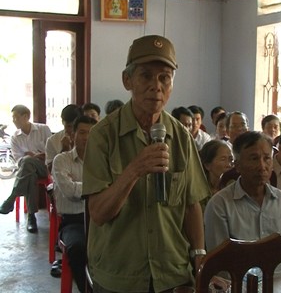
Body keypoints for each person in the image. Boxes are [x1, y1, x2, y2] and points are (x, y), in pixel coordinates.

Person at [82, 35, 210, 293]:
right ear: (127, 80)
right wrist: (134, 170)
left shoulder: (181, 137)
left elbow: (191, 204)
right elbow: (98, 213)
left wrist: (198, 254)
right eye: (146, 76)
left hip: (172, 273)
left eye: (165, 77)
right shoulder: (103, 135)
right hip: (120, 274)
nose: (156, 86)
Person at [204, 131, 281, 273]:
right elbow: (220, 265)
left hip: (279, 284)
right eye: (254, 158)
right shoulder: (219, 205)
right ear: (237, 165)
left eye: (267, 158)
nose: (262, 166)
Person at [52, 115, 97, 293]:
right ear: (73, 135)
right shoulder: (62, 160)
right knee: (78, 248)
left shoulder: (104, 161)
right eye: (82, 132)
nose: (86, 137)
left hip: (99, 218)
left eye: (91, 133)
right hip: (73, 221)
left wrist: (79, 186)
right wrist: (97, 187)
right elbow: (69, 192)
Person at [0, 105, 52, 233]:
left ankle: (13, 197)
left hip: (44, 166)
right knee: (30, 173)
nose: (13, 121)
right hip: (28, 170)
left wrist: (39, 155)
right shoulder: (15, 137)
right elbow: (18, 161)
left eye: (16, 118)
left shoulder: (43, 129)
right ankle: (31, 217)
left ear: (26, 117)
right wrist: (29, 158)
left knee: (28, 162)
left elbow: (52, 151)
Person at [45, 104, 82, 173]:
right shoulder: (53, 140)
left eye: (75, 126)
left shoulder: (87, 138)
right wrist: (63, 150)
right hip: (61, 180)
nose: (72, 130)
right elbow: (50, 170)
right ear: (62, 122)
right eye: (68, 126)